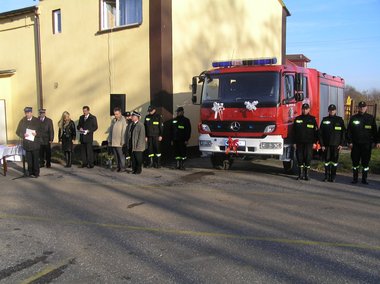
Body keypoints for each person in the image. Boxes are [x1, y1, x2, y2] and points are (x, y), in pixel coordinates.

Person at [347, 101, 378, 184]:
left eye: (363, 107)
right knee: (355, 162)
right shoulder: (353, 118)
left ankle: (364, 178)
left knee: (365, 163)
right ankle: (355, 178)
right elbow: (349, 131)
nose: (362, 108)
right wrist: (349, 142)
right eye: (360, 107)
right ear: (358, 108)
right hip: (355, 144)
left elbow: (374, 131)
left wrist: (376, 141)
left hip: (366, 145)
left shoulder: (370, 118)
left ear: (366, 108)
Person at [319, 104, 346, 182]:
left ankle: (333, 177)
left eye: (333, 110)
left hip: (336, 145)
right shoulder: (324, 120)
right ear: (328, 111)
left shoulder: (340, 120)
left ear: (335, 110)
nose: (332, 111)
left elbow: (343, 133)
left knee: (334, 162)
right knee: (326, 161)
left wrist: (341, 144)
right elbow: (320, 133)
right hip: (326, 145)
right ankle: (326, 176)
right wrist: (322, 144)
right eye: (330, 110)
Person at [292, 103, 318, 180]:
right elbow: (294, 132)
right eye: (303, 109)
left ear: (309, 109)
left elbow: (316, 132)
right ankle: (300, 175)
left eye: (306, 109)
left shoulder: (312, 119)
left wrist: (314, 142)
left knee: (308, 158)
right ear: (302, 109)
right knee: (300, 158)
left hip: (309, 143)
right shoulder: (297, 119)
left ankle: (306, 175)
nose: (305, 110)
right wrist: (294, 142)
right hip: (299, 142)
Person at [16, 107, 42, 178]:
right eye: (26, 113)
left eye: (28, 113)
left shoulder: (37, 120)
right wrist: (23, 135)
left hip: (35, 144)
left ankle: (36, 173)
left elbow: (41, 131)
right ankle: (30, 172)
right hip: (27, 144)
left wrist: (37, 134)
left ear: (31, 113)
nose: (27, 114)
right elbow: (18, 131)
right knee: (29, 160)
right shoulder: (22, 121)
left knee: (35, 159)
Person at [108, 107, 127, 172]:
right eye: (115, 114)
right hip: (113, 141)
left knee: (121, 155)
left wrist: (123, 141)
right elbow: (111, 131)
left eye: (117, 114)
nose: (116, 115)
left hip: (119, 142)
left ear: (120, 113)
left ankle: (122, 167)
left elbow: (123, 131)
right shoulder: (113, 120)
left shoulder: (123, 120)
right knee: (116, 156)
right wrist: (109, 140)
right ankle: (118, 166)